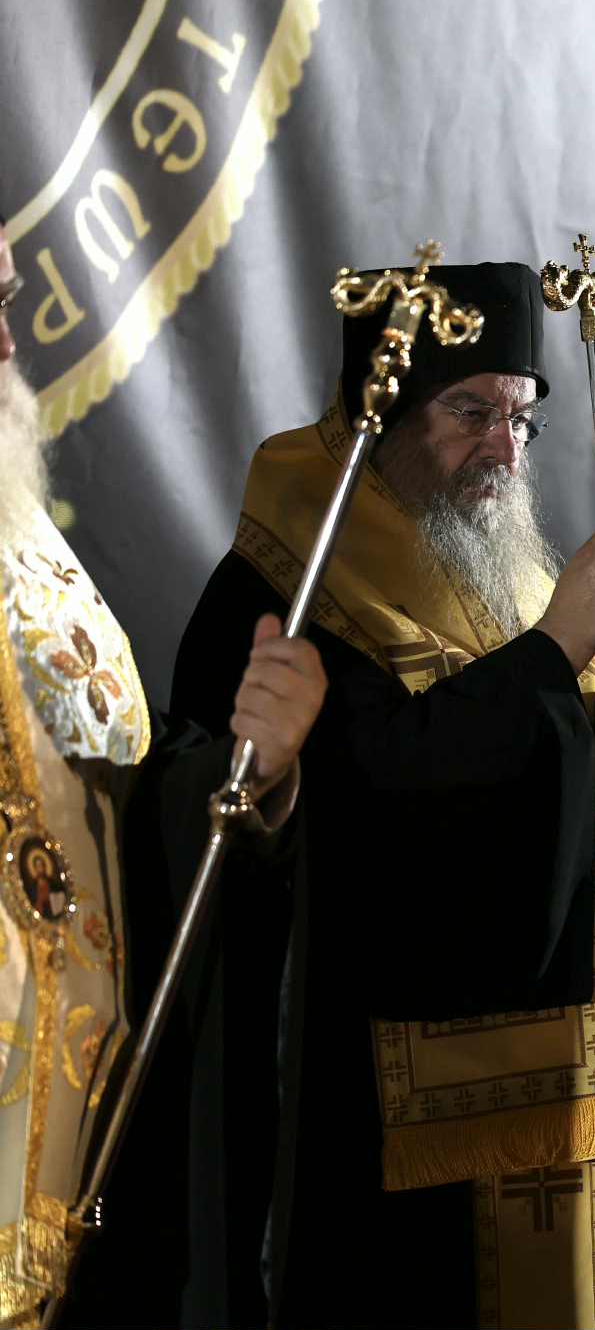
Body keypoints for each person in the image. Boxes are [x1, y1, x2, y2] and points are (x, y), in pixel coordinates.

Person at [169, 261, 595, 1328]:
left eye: (522, 420)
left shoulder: (511, 574)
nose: (504, 449)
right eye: (470, 413)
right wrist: (554, 651)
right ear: (386, 422)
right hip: (392, 1149)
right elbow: (376, 816)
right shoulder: (289, 586)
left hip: (578, 1108)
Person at [0, 222, 326, 1326]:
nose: (9, 349)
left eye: (7, 306)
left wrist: (249, 772)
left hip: (82, 1149)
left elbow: (109, 793)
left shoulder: (19, 529)